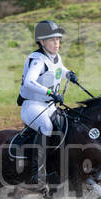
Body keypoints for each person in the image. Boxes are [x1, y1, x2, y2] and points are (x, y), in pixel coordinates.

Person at [17, 20, 78, 184]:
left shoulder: (55, 57)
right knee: (47, 127)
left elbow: (59, 68)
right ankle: (38, 173)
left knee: (67, 123)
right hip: (32, 106)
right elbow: (29, 81)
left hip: (48, 106)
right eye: (52, 40)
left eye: (58, 39)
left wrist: (69, 74)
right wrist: (50, 92)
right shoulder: (37, 60)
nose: (56, 43)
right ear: (42, 42)